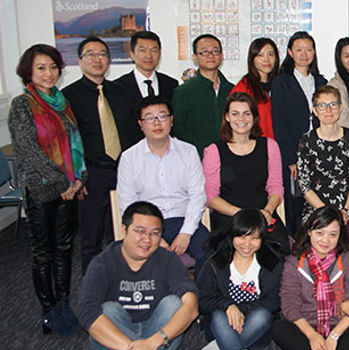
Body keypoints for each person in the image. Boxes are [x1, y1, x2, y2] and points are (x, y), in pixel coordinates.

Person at [77, 201, 198, 350]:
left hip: (160, 340)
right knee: (108, 310)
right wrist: (135, 348)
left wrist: (152, 343)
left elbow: (191, 305)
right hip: (114, 343)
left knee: (174, 304)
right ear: (124, 230)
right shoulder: (103, 262)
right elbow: (87, 314)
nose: (147, 240)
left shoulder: (167, 259)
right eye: (140, 231)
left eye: (154, 233)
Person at [9, 44, 86, 335]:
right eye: (42, 68)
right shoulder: (22, 105)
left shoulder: (61, 102)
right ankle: (48, 311)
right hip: (42, 189)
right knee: (44, 253)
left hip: (69, 187)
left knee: (65, 250)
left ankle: (64, 306)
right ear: (28, 71)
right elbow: (29, 151)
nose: (49, 73)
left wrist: (80, 178)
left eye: (53, 67)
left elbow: (75, 144)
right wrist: (64, 181)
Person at [173, 209, 282, 350]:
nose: (247, 244)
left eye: (254, 238)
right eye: (241, 237)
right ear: (232, 236)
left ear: (262, 239)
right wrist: (228, 306)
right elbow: (203, 300)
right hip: (220, 325)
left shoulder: (271, 262)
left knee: (263, 314)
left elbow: (273, 302)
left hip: (256, 327)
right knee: (217, 314)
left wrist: (239, 310)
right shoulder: (216, 261)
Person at [63, 36, 141, 274]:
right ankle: (92, 287)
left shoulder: (120, 92)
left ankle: (121, 282)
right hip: (91, 175)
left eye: (103, 54)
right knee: (91, 237)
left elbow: (132, 132)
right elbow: (67, 142)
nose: (98, 59)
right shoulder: (68, 97)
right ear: (79, 61)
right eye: (91, 54)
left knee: (122, 232)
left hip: (123, 171)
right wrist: (78, 177)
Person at [272, 207, 349, 350]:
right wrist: (312, 336)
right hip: (306, 328)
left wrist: (333, 336)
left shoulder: (348, 259)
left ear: (340, 235)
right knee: (279, 329)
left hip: (338, 329)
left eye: (333, 234)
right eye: (320, 233)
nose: (326, 240)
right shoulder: (294, 262)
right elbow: (289, 305)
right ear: (309, 231)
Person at [117, 96, 209, 273]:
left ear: (171, 120)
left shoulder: (188, 152)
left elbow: (198, 195)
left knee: (210, 253)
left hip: (184, 219)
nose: (157, 123)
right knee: (146, 260)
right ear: (141, 124)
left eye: (162, 116)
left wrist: (186, 233)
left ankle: (200, 300)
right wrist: (154, 237)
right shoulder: (129, 158)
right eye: (150, 118)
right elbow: (128, 203)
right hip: (147, 223)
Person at [202, 92, 288, 246]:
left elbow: (276, 188)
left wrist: (267, 211)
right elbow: (211, 198)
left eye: (246, 113)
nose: (241, 119)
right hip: (229, 216)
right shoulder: (214, 150)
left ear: (254, 117)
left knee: (278, 250)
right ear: (227, 117)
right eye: (235, 114)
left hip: (263, 214)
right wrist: (243, 215)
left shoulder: (270, 146)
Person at [297, 85, 349, 254]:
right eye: (322, 105)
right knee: (311, 248)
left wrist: (345, 210)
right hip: (316, 210)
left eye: (333, 104)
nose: (328, 110)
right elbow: (304, 185)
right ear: (314, 110)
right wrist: (327, 213)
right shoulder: (306, 140)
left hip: (348, 209)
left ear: (341, 107)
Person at [271, 31, 327, 233]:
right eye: (299, 49)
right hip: (295, 152)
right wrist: (290, 158)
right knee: (297, 203)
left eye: (309, 49)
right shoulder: (281, 82)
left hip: (320, 151)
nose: (304, 54)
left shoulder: (321, 81)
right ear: (290, 53)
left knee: (320, 200)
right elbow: (279, 123)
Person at [172, 34, 234, 156]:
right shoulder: (183, 92)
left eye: (215, 51)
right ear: (195, 57)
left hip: (229, 158)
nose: (210, 55)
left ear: (221, 56)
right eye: (204, 52)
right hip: (196, 159)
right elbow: (177, 129)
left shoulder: (233, 91)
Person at [116, 31, 179, 135]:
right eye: (142, 50)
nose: (148, 56)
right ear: (132, 54)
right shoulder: (119, 87)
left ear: (160, 54)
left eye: (154, 50)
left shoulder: (171, 84)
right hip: (133, 148)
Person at [230, 37, 279, 139]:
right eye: (260, 55)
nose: (266, 60)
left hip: (280, 146)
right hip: (255, 145)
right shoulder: (243, 89)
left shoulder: (280, 84)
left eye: (271, 54)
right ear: (252, 59)